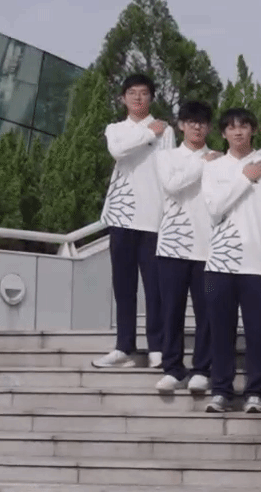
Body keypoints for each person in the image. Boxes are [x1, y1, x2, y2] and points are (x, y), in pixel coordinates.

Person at [92, 74, 175, 369]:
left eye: (143, 93)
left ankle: (157, 347)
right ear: (123, 98)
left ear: (151, 97)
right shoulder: (115, 129)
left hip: (154, 218)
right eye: (132, 93)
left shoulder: (166, 131)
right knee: (123, 286)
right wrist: (148, 133)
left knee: (155, 288)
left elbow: (169, 172)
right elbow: (118, 151)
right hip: (122, 217)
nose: (138, 98)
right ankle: (123, 346)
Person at [201, 108, 261, 413]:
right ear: (223, 133)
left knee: (258, 331)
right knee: (220, 329)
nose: (238, 132)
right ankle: (221, 390)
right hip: (217, 265)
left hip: (257, 264)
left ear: (253, 130)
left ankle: (254, 391)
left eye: (244, 126)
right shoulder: (213, 167)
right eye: (231, 128)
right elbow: (214, 209)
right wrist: (245, 179)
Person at [152, 100, 216, 394]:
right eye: (191, 122)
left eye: (202, 122)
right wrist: (203, 163)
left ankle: (202, 369)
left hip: (209, 249)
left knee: (207, 313)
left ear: (209, 127)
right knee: (171, 312)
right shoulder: (166, 157)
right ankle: (173, 368)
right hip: (172, 248)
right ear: (181, 125)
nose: (197, 127)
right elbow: (172, 185)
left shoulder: (219, 160)